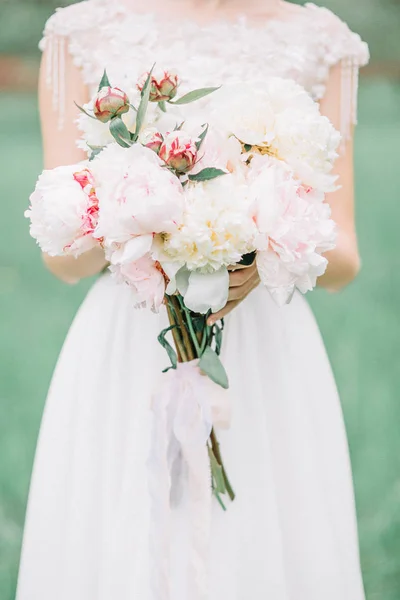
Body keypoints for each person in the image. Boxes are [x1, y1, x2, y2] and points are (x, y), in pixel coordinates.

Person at [16, 0, 369, 598]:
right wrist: (153, 218)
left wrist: (258, 235)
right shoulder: (80, 32)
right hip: (129, 339)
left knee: (259, 541)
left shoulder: (324, 41)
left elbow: (344, 259)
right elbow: (62, 255)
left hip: (266, 352)